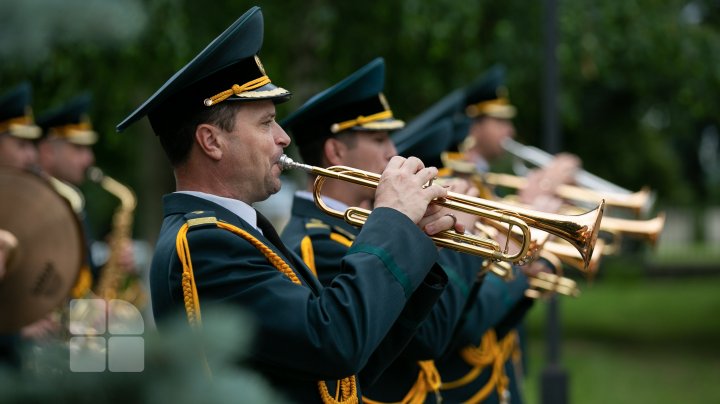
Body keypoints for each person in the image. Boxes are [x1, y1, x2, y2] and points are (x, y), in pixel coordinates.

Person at [115, 7, 459, 403]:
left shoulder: (237, 231)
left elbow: (349, 368)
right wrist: (392, 222)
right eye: (265, 123)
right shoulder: (203, 241)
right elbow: (333, 339)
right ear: (211, 141)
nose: (283, 137)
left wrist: (416, 243)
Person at [280, 57, 486, 403]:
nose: (393, 152)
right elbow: (431, 337)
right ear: (335, 150)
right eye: (379, 139)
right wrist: (454, 242)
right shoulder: (316, 243)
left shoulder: (353, 231)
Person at [392, 65, 575, 404]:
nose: (511, 130)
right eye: (500, 121)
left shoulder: (481, 189)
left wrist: (526, 276)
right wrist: (518, 270)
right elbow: (457, 326)